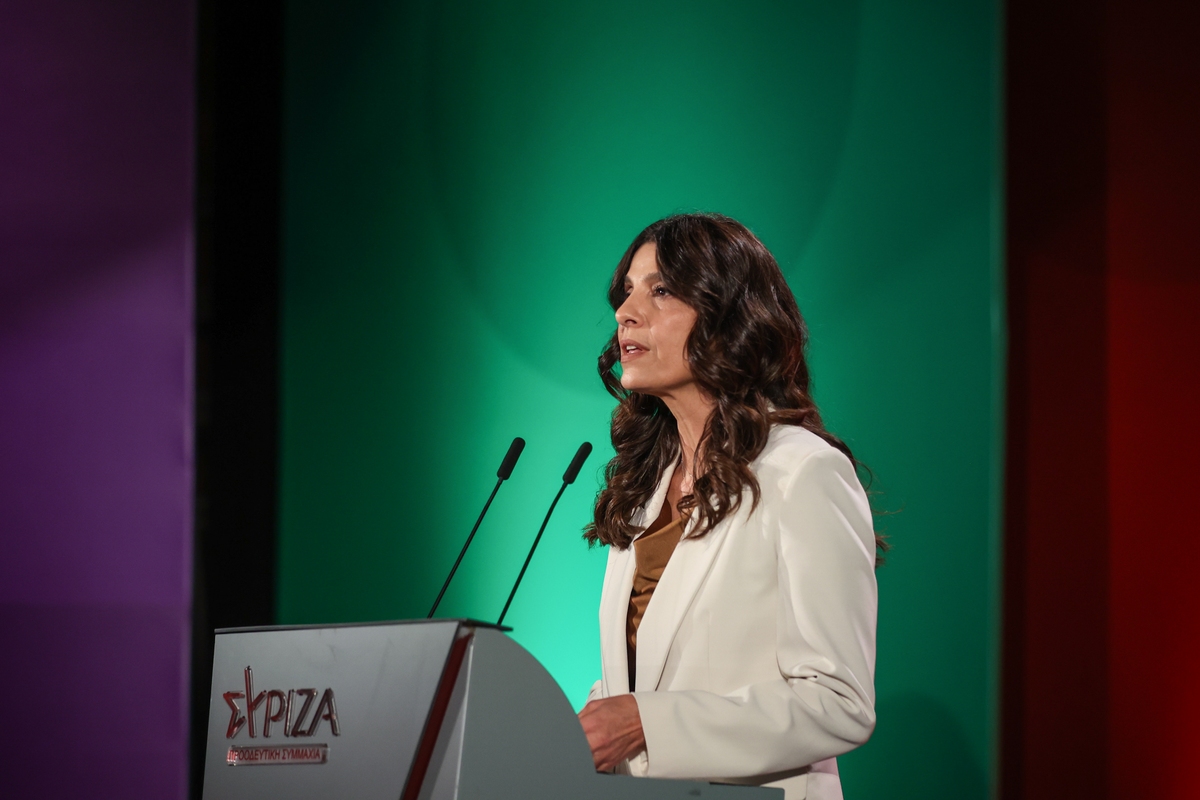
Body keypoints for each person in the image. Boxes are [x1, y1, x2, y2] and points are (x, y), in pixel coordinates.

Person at [577, 213, 881, 800]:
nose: (626, 312)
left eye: (661, 290)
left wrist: (644, 724)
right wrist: (584, 725)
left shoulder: (802, 471)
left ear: (728, 317)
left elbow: (839, 701)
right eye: (627, 291)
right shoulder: (646, 485)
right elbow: (648, 675)